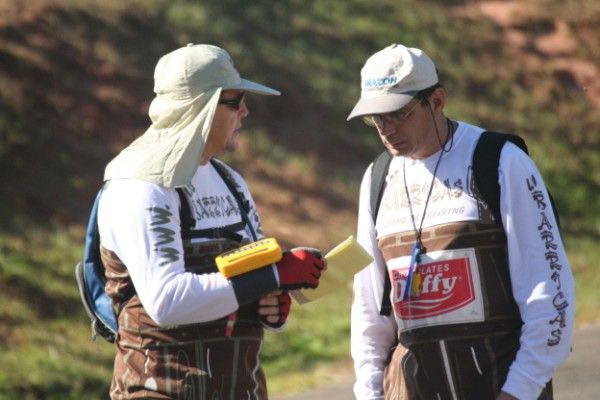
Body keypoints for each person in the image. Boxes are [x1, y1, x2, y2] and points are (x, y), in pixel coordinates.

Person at [97, 43, 326, 399]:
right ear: (200, 108)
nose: (245, 112)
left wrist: (268, 304)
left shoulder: (231, 182)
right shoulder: (141, 187)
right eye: (234, 101)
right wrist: (274, 275)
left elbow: (247, 280)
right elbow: (168, 302)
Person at [347, 44, 574, 400]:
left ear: (436, 101)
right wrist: (369, 392)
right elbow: (369, 307)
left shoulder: (499, 161)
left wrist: (521, 389)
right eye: (376, 118)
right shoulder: (377, 177)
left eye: (398, 114)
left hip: (500, 387)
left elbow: (548, 290)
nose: (386, 129)